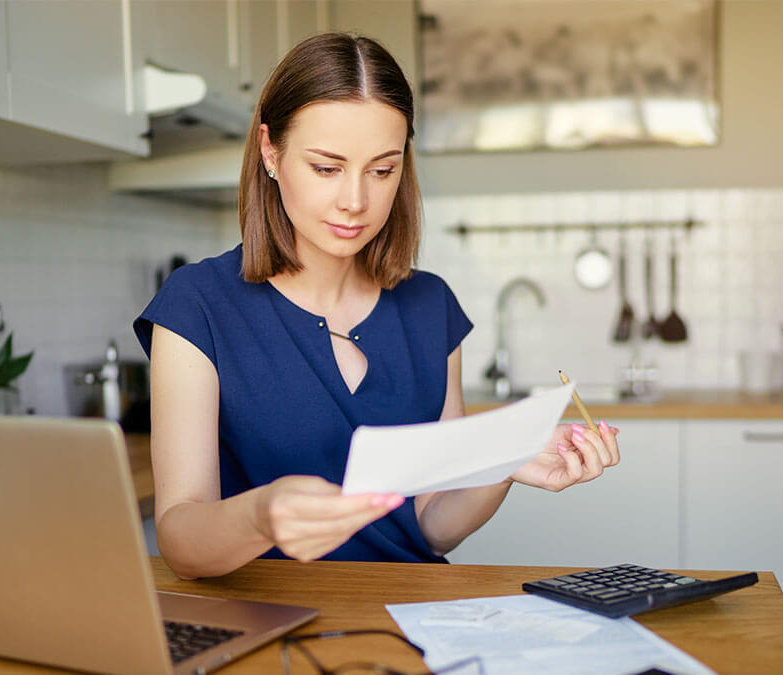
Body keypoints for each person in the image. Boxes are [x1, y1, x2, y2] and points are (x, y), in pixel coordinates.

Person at [134, 33, 619, 580]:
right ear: (271, 152)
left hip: (412, 616)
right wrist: (260, 517)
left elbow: (432, 522)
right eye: (326, 167)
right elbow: (179, 537)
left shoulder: (430, 307)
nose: (356, 201)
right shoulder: (197, 306)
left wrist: (506, 463)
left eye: (382, 170)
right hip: (265, 620)